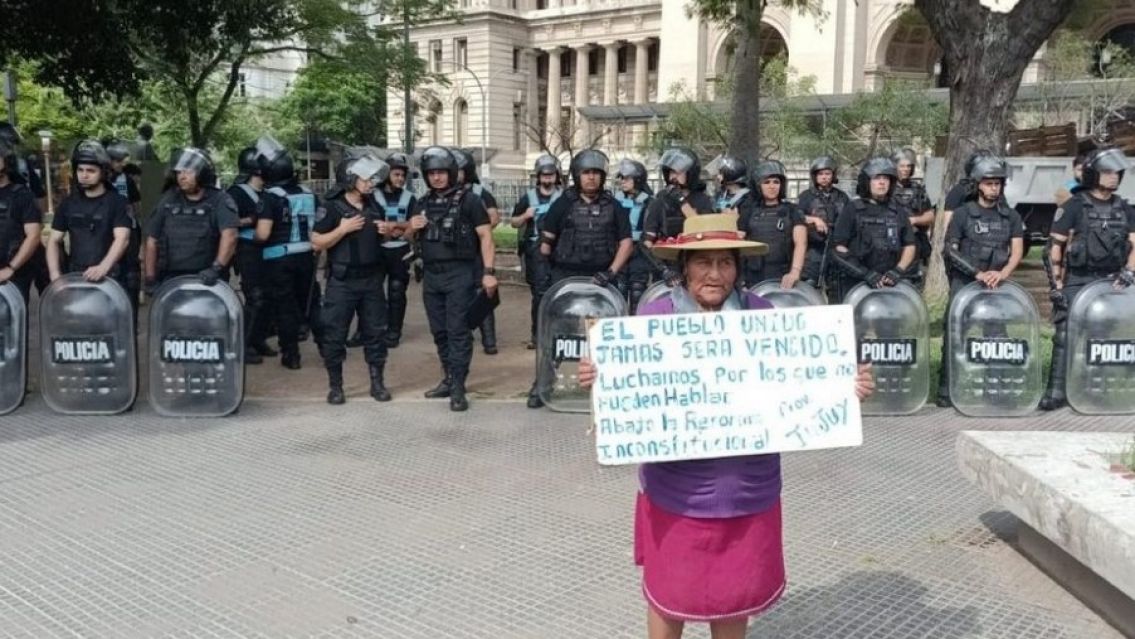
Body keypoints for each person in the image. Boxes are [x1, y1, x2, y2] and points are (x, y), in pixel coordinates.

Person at [575, 213, 875, 639]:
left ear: (738, 267)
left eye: (726, 262)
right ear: (684, 267)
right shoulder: (654, 317)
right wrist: (599, 380)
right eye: (703, 262)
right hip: (677, 492)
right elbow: (628, 384)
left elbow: (801, 381)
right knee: (668, 593)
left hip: (747, 489)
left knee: (735, 596)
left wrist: (846, 388)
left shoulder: (762, 315)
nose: (715, 274)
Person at [530, 149, 633, 409]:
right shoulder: (563, 204)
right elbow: (546, 242)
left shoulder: (614, 206)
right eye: (586, 173)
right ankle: (543, 383)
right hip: (566, 277)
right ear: (577, 175)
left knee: (607, 336)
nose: (591, 178)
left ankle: (611, 386)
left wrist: (611, 273)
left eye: (596, 173)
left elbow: (626, 243)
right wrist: (545, 275)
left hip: (602, 279)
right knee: (557, 334)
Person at [1040, 147, 1135, 410]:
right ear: (1093, 173)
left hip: (1112, 282)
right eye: (1107, 172)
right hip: (1079, 279)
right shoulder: (1074, 206)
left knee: (1106, 338)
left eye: (1117, 172)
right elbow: (1053, 248)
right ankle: (1057, 392)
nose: (1114, 177)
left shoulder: (1125, 208)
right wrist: (1056, 285)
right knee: (1065, 334)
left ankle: (1097, 390)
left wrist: (1129, 272)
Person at [409, 147, 498, 412]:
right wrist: (410, 229)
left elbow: (486, 237)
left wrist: (489, 273)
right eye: (432, 173)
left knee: (459, 332)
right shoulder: (422, 203)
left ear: (451, 173)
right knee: (440, 332)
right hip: (432, 276)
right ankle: (448, 378)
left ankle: (458, 387)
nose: (436, 178)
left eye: (441, 172)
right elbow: (409, 238)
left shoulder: (469, 201)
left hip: (460, 273)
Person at [936, 156, 1025, 407]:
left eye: (997, 183)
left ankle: (994, 389)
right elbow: (950, 250)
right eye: (988, 183)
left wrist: (1003, 273)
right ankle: (947, 390)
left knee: (996, 339)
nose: (993, 188)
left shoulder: (1011, 216)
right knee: (955, 333)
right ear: (978, 185)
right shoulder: (963, 214)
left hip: (997, 286)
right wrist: (977, 274)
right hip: (965, 283)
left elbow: (1017, 249)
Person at [311, 155, 394, 405]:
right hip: (342, 282)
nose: (371, 183)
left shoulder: (373, 205)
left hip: (371, 281)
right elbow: (316, 242)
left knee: (375, 334)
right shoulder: (332, 207)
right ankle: (336, 387)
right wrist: (342, 229)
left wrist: (387, 232)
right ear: (349, 178)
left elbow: (383, 239)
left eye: (371, 178)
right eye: (365, 178)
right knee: (335, 335)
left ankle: (377, 383)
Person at [45, 141, 133, 314]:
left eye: (91, 171)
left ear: (103, 172)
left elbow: (122, 239)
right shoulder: (68, 204)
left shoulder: (117, 203)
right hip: (76, 278)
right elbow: (53, 240)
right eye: (80, 170)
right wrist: (55, 275)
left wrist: (103, 267)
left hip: (110, 279)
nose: (84, 175)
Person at [143, 148, 238, 293]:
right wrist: (150, 277)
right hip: (171, 278)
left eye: (188, 171)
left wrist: (216, 268)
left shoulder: (220, 200)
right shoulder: (168, 199)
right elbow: (152, 240)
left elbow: (230, 237)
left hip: (208, 279)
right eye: (179, 172)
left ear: (203, 173)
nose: (182, 176)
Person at [259, 137, 317, 370]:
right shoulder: (307, 192)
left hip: (277, 258)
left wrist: (249, 237)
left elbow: (263, 234)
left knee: (284, 308)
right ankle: (328, 347)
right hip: (306, 255)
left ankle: (291, 355)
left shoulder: (270, 196)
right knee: (312, 304)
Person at [829, 157, 918, 303]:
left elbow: (909, 245)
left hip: (888, 282)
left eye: (886, 178)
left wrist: (898, 271)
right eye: (877, 178)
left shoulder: (897, 211)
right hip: (856, 281)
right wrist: (865, 274)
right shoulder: (852, 209)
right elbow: (838, 248)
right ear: (867, 182)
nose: (882, 182)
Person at [228, 146, 278, 364]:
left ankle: (258, 338)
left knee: (268, 297)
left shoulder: (269, 193)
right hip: (247, 249)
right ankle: (243, 343)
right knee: (255, 297)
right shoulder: (235, 193)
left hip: (268, 249)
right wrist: (251, 220)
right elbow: (226, 222)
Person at [510, 154, 562, 348]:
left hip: (559, 251)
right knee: (539, 295)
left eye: (551, 175)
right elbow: (514, 222)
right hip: (535, 251)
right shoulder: (529, 198)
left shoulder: (563, 197)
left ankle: (557, 334)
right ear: (538, 177)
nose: (547, 179)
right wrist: (525, 215)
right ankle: (538, 335)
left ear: (557, 176)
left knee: (559, 293)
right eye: (544, 175)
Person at [454, 148, 500, 355]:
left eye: (459, 170)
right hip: (456, 253)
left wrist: (476, 228)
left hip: (478, 251)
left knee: (483, 292)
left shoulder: (480, 193)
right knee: (459, 294)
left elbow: (494, 217)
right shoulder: (445, 194)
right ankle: (464, 333)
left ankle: (489, 340)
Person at [370, 152, 417, 348]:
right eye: (396, 174)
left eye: (402, 175)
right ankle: (368, 329)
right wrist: (401, 226)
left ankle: (394, 331)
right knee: (372, 293)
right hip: (377, 250)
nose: (400, 179)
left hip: (400, 251)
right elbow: (374, 221)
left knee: (397, 291)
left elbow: (414, 223)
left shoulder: (410, 197)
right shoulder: (372, 195)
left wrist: (394, 225)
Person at [737, 160, 808, 289]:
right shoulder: (749, 211)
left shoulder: (792, 210)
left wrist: (795, 272)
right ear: (759, 185)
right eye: (767, 182)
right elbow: (738, 242)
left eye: (776, 182)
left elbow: (801, 243)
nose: (772, 186)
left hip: (783, 277)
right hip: (753, 277)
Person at [614, 158, 666, 312]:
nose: (623, 181)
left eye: (627, 178)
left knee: (638, 291)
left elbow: (655, 228)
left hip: (640, 251)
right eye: (621, 178)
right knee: (618, 292)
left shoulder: (650, 202)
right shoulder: (615, 200)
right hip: (619, 250)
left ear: (637, 180)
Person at [797, 155, 850, 293]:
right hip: (814, 250)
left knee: (836, 287)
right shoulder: (806, 196)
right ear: (815, 176)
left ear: (833, 175)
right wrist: (814, 219)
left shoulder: (842, 197)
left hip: (837, 248)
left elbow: (851, 219)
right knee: (809, 286)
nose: (824, 177)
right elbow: (796, 216)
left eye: (828, 173)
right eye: (821, 174)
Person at [643, 147, 715, 247]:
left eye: (677, 172)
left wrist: (681, 200)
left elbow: (702, 229)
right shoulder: (661, 200)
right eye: (670, 173)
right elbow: (649, 238)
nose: (672, 177)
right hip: (665, 254)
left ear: (690, 173)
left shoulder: (703, 200)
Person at [0, 139, 44, 302]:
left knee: (12, 323)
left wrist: (11, 268)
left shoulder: (22, 195)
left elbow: (33, 236)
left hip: (13, 274)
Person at [892, 149, 936, 284]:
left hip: (913, 240)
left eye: (908, 166)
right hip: (890, 240)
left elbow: (930, 216)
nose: (905, 169)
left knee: (912, 280)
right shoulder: (886, 187)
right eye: (902, 166)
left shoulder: (918, 189)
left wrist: (914, 220)